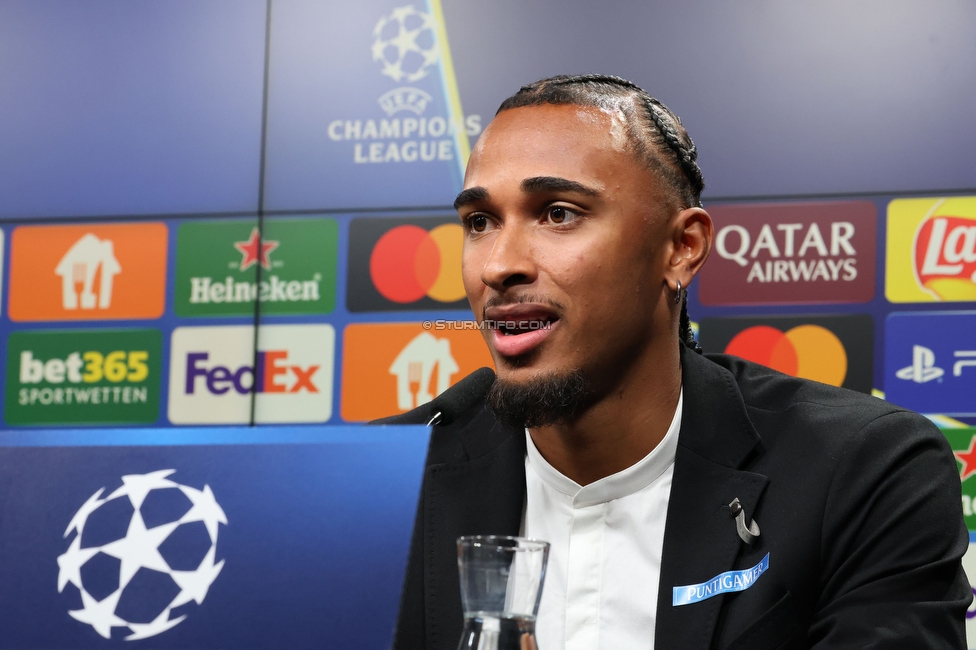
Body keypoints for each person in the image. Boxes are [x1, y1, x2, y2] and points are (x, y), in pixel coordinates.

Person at [376, 75, 970, 649]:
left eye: (558, 213)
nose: (497, 265)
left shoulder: (864, 469)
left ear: (682, 248)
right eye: (479, 222)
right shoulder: (383, 483)